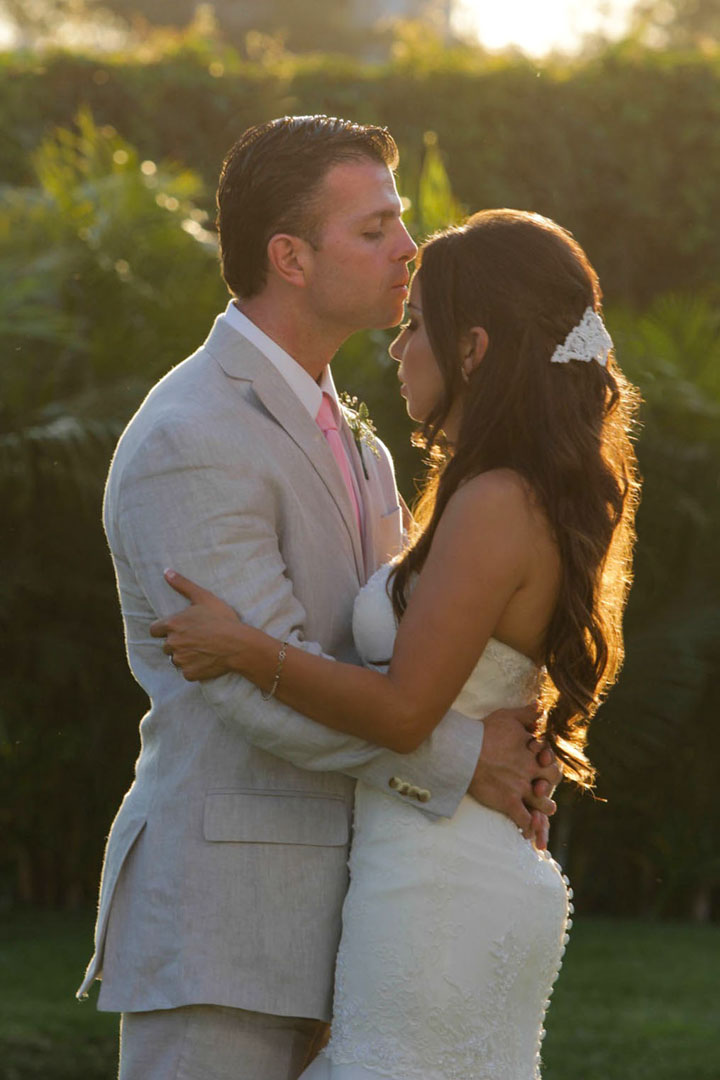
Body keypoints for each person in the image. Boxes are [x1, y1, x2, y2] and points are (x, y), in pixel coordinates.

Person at [77, 117, 560, 1080]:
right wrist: (468, 760)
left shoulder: (364, 439)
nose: (409, 249)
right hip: (226, 926)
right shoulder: (193, 434)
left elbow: (391, 658)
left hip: (363, 926)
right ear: (290, 257)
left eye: (402, 222)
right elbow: (252, 691)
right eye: (375, 227)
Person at [152, 208, 642, 1079]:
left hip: (439, 884)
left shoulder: (495, 500)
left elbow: (404, 708)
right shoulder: (500, 491)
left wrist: (240, 646)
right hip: (432, 868)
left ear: (474, 349)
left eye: (418, 326)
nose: (397, 346)